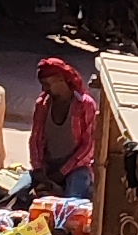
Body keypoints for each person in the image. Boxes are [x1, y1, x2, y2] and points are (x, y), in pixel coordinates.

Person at [28, 53, 97, 200]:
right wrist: (38, 169)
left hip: (76, 168)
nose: (44, 89)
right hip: (48, 166)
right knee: (18, 193)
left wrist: (62, 172)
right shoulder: (42, 104)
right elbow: (36, 139)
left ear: (61, 79)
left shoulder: (85, 105)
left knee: (72, 201)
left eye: (47, 84)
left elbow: (88, 145)